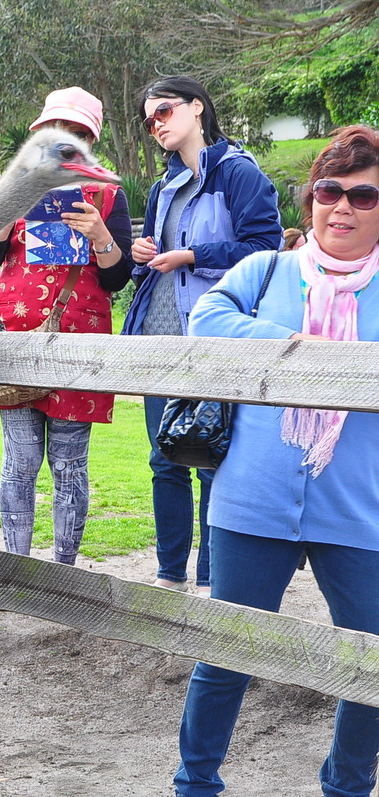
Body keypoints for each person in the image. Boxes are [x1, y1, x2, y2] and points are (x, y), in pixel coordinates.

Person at [175, 124, 379, 796]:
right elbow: (206, 318)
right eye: (330, 189)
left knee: (372, 661)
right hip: (252, 498)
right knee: (226, 652)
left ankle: (348, 786)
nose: (342, 206)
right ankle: (195, 782)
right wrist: (297, 344)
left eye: (363, 194)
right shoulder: (267, 270)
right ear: (311, 198)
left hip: (359, 506)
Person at [122, 76, 281, 597]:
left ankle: (216, 581)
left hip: (217, 336)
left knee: (215, 457)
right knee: (163, 459)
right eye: (149, 120)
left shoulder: (238, 173)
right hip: (159, 333)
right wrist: (143, 256)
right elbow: (146, 266)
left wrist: (195, 255)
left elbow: (266, 249)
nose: (157, 125)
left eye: (164, 112)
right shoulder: (162, 187)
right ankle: (170, 576)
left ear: (197, 107)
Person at [0, 87, 132, 566]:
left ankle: (64, 573)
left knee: (68, 464)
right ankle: (17, 568)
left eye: (78, 134)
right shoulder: (12, 190)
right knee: (19, 463)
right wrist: (2, 218)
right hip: (16, 346)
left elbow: (117, 277)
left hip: (76, 346)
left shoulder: (106, 195)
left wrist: (100, 236)